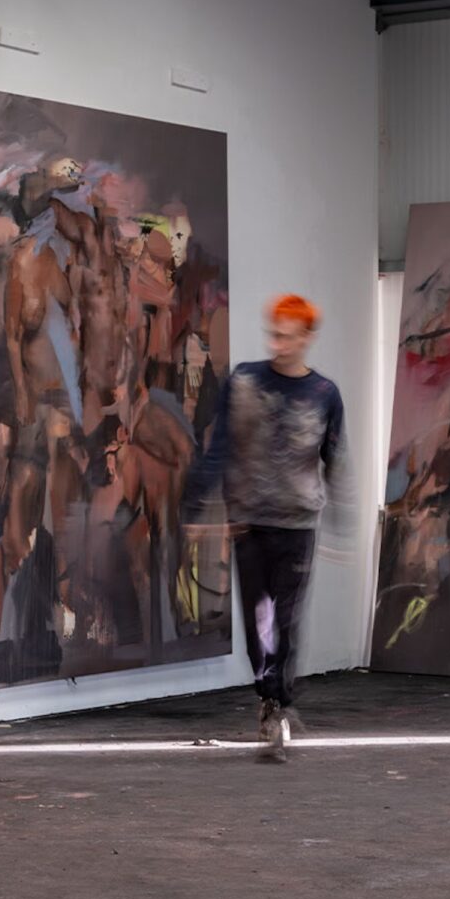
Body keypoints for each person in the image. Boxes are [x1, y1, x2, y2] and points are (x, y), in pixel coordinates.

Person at [183, 294, 350, 762]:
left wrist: (342, 523)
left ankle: (279, 703)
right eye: (274, 335)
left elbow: (335, 460)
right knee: (259, 621)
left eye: (289, 337)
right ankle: (268, 697)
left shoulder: (324, 394)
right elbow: (219, 449)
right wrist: (196, 504)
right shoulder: (244, 382)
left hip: (298, 524)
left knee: (287, 620)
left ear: (307, 338)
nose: (279, 344)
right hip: (248, 522)